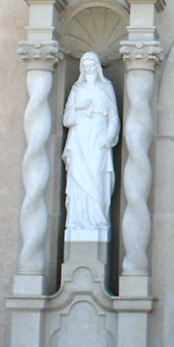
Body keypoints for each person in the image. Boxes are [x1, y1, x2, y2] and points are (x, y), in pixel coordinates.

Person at [62, 51, 120, 234]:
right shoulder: (76, 90)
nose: (88, 69)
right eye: (85, 65)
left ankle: (97, 218)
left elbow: (113, 116)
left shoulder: (106, 88)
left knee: (96, 175)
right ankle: (78, 219)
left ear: (97, 67)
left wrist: (109, 137)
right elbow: (66, 120)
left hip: (98, 137)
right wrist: (79, 107)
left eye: (91, 65)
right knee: (78, 178)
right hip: (79, 138)